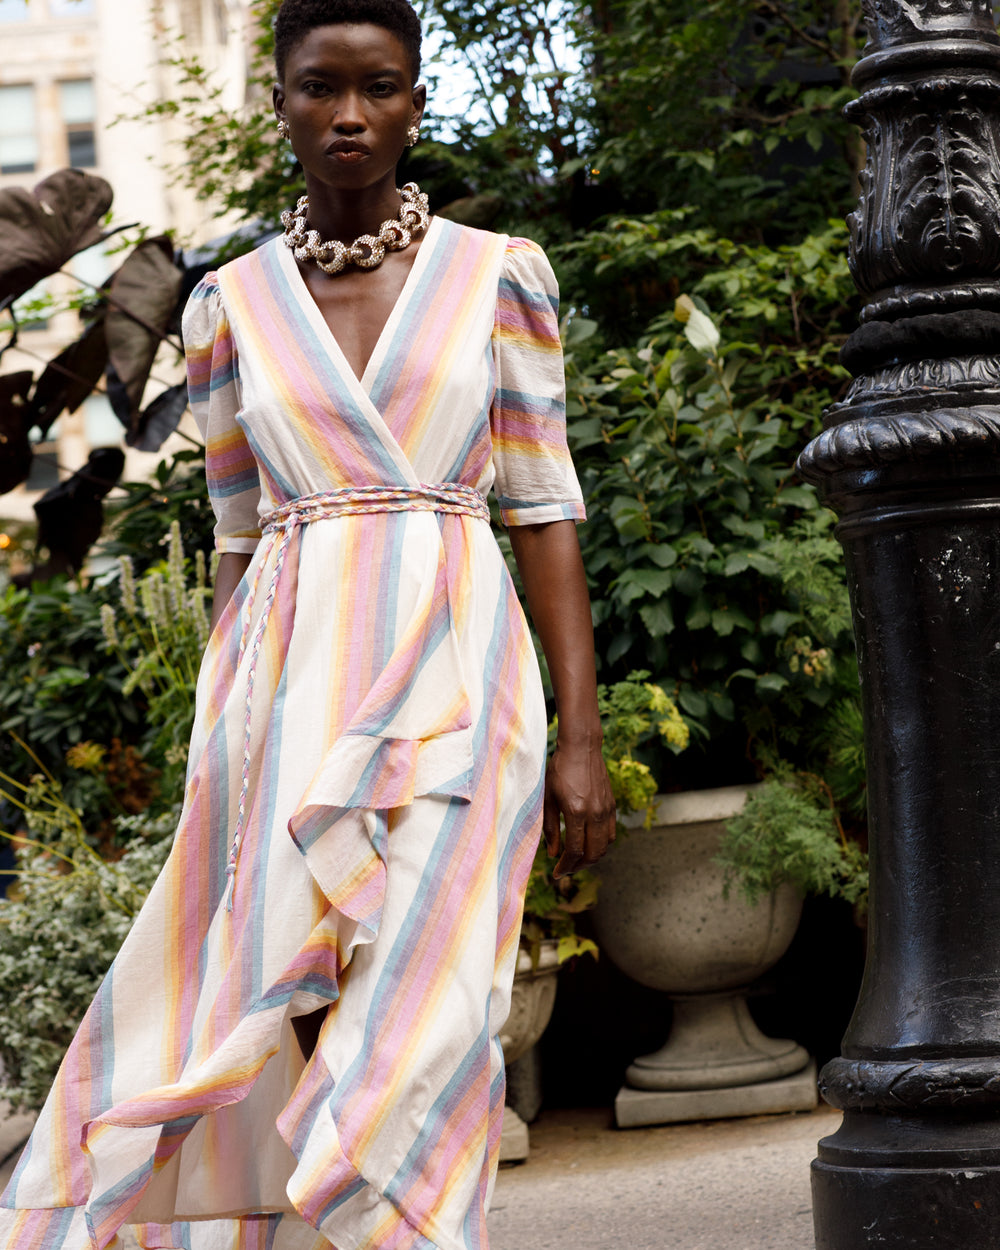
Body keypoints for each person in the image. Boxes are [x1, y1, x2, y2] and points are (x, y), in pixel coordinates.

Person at [0, 1, 615, 1246]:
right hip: (283, 696)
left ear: (415, 102)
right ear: (276, 100)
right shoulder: (229, 304)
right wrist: (215, 742)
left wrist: (581, 737)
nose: (349, 115)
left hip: (457, 676)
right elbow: (235, 538)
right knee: (288, 1011)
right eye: (320, 88)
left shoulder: (500, 275)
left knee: (428, 1016)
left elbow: (544, 509)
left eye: (380, 87)